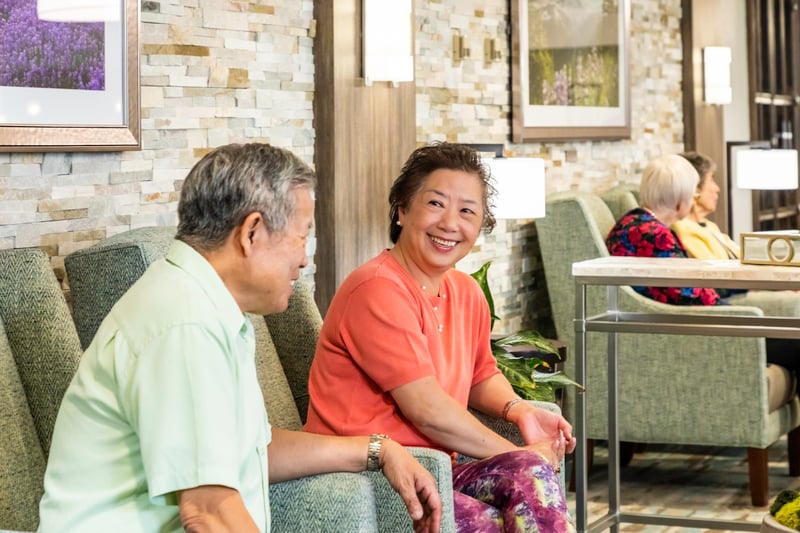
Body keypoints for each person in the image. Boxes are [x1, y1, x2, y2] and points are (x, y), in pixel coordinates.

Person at [37, 143, 441, 533]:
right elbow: (208, 512)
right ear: (251, 232)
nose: (304, 257)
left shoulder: (206, 306)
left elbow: (249, 453)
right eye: (302, 236)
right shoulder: (184, 324)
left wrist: (378, 449)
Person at [304, 142, 577, 533]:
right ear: (402, 210)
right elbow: (428, 410)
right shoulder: (377, 289)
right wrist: (517, 452)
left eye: (467, 211)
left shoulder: (464, 291)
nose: (451, 223)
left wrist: (519, 410)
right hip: (368, 478)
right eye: (435, 204)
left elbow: (481, 376)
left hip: (435, 471)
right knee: (501, 503)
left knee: (526, 480)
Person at [606, 153, 800, 377]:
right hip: (694, 328)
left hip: (691, 321)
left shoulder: (635, 223)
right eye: (693, 194)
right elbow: (686, 292)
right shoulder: (652, 233)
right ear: (681, 202)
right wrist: (737, 313)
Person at [671, 151, 740, 259]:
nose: (717, 189)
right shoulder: (684, 230)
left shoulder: (709, 225)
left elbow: (742, 254)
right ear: (694, 187)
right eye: (711, 179)